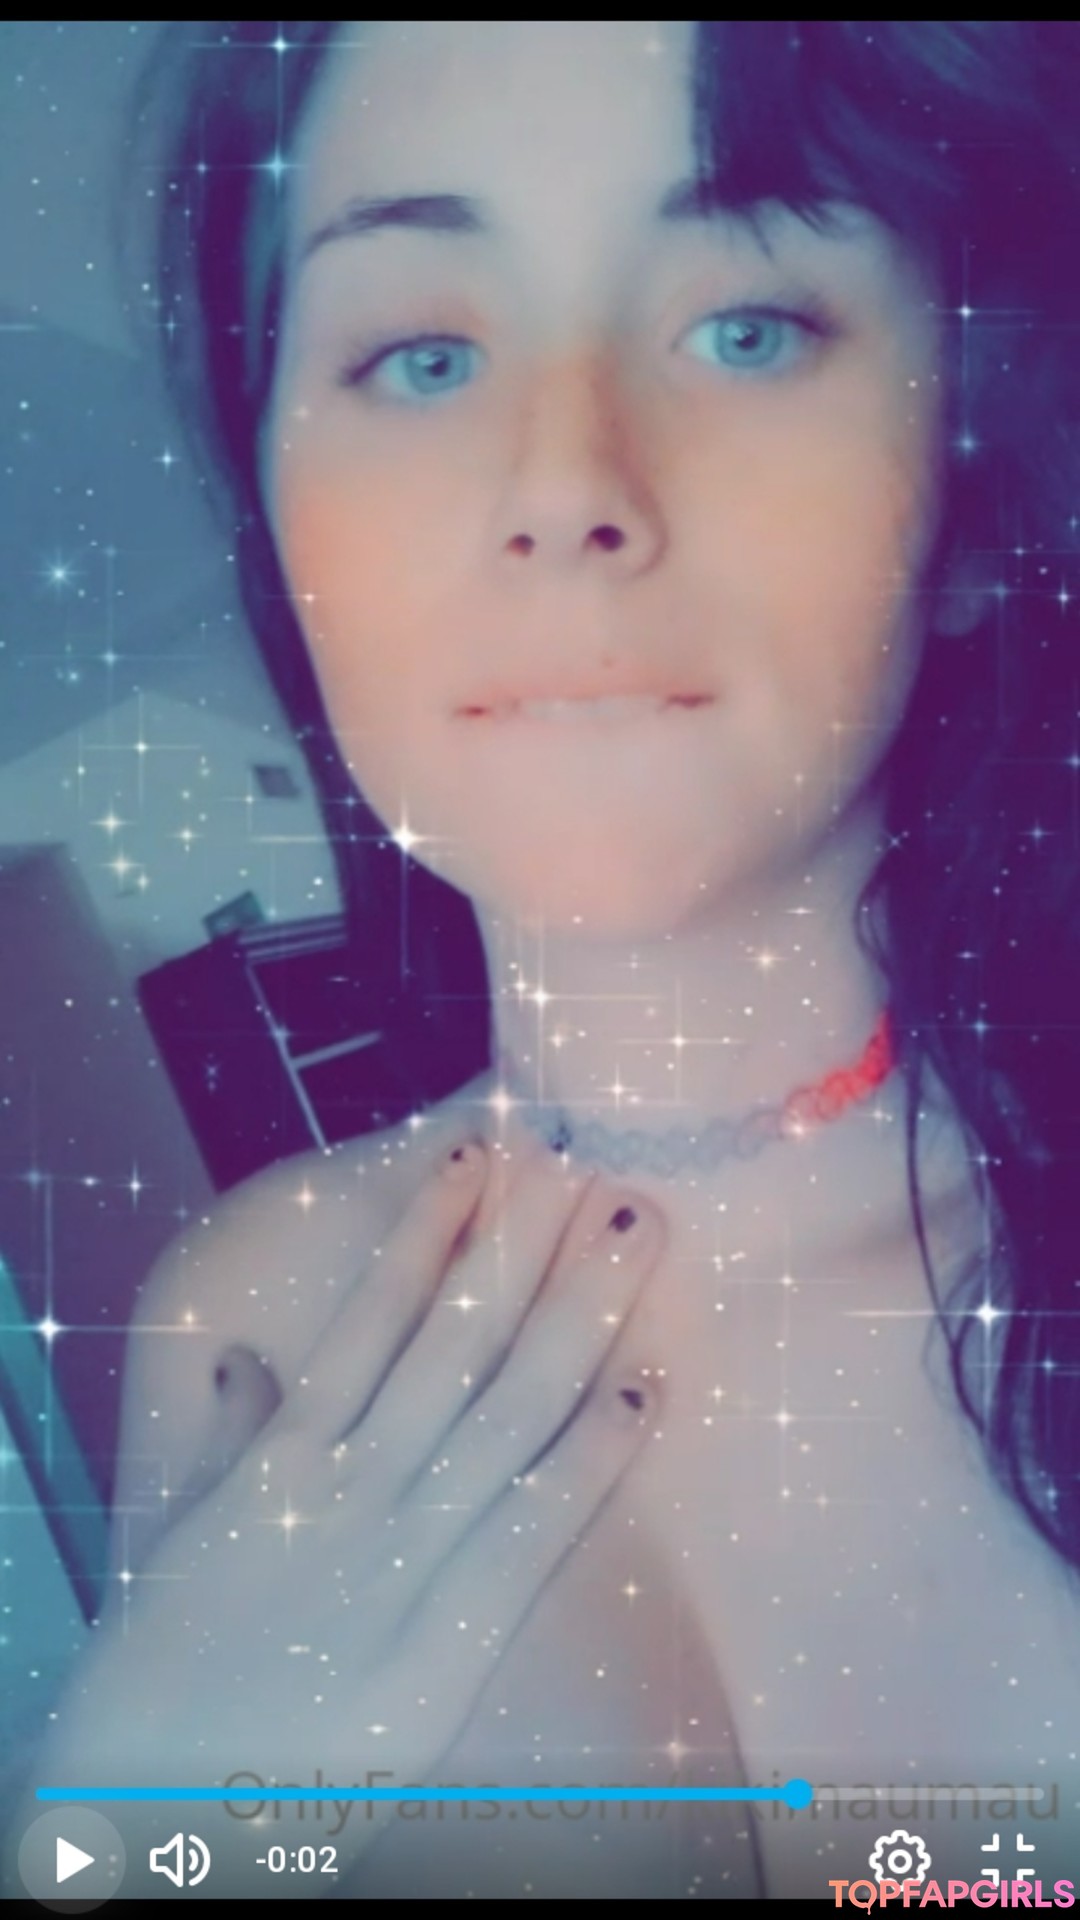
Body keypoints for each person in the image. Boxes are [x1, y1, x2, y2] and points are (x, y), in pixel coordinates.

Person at [9, 18, 1080, 1902]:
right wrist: (110, 1822)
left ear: (979, 503)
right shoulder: (242, 1320)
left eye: (747, 328)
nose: (563, 482)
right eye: (421, 357)